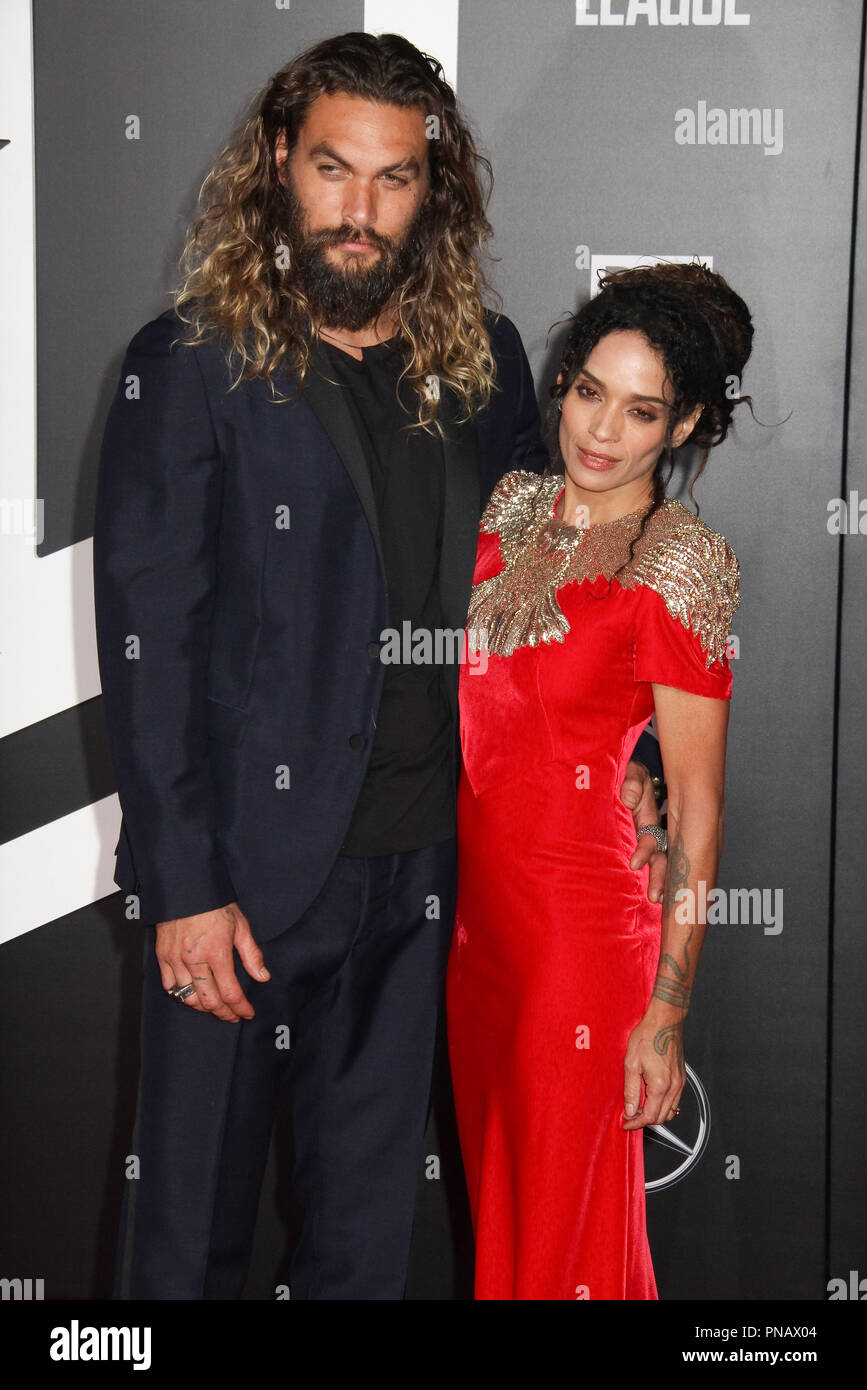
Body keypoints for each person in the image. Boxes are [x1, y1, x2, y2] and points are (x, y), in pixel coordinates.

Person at [93, 32, 664, 1301]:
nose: (358, 212)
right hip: (237, 888)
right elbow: (152, 645)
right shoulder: (187, 365)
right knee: (186, 1241)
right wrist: (184, 885)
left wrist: (626, 763)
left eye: (393, 179)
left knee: (363, 1250)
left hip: (427, 883)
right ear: (279, 171)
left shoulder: (487, 364)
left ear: (433, 192)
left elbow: (553, 597)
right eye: (333, 171)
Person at [446, 261, 753, 1300]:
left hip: (583, 949)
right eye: (589, 392)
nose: (602, 431)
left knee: (567, 1240)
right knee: (507, 1219)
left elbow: (700, 815)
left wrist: (666, 1011)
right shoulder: (507, 507)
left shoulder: (678, 564)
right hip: (480, 942)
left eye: (641, 411)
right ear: (564, 381)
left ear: (683, 426)